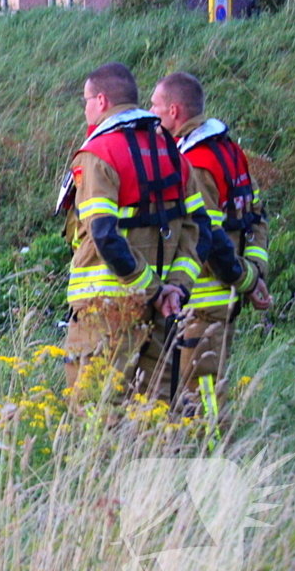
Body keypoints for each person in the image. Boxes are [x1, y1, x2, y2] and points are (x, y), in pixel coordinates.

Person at [62, 62, 216, 405]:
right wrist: (175, 288)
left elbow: (103, 234)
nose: (85, 107)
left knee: (92, 412)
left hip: (104, 311)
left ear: (101, 101)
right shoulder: (174, 154)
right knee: (152, 414)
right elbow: (201, 229)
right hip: (161, 311)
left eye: (86, 99)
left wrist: (150, 288)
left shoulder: (98, 155)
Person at [150, 72, 271, 425]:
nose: (151, 113)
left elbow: (210, 235)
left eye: (155, 106)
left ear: (174, 111)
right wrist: (254, 273)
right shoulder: (231, 153)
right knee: (204, 388)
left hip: (202, 302)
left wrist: (246, 280)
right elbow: (256, 219)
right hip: (222, 299)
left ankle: (212, 459)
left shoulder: (196, 163)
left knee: (200, 397)